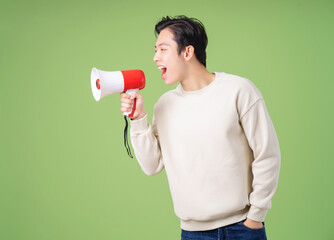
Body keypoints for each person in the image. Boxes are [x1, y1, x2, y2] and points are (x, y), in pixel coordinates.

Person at [120, 15, 280, 240]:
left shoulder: (239, 90)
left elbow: (267, 155)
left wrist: (255, 217)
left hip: (242, 228)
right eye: (155, 50)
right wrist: (138, 119)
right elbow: (151, 165)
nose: (155, 57)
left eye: (163, 49)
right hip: (193, 233)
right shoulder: (164, 105)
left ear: (187, 52)